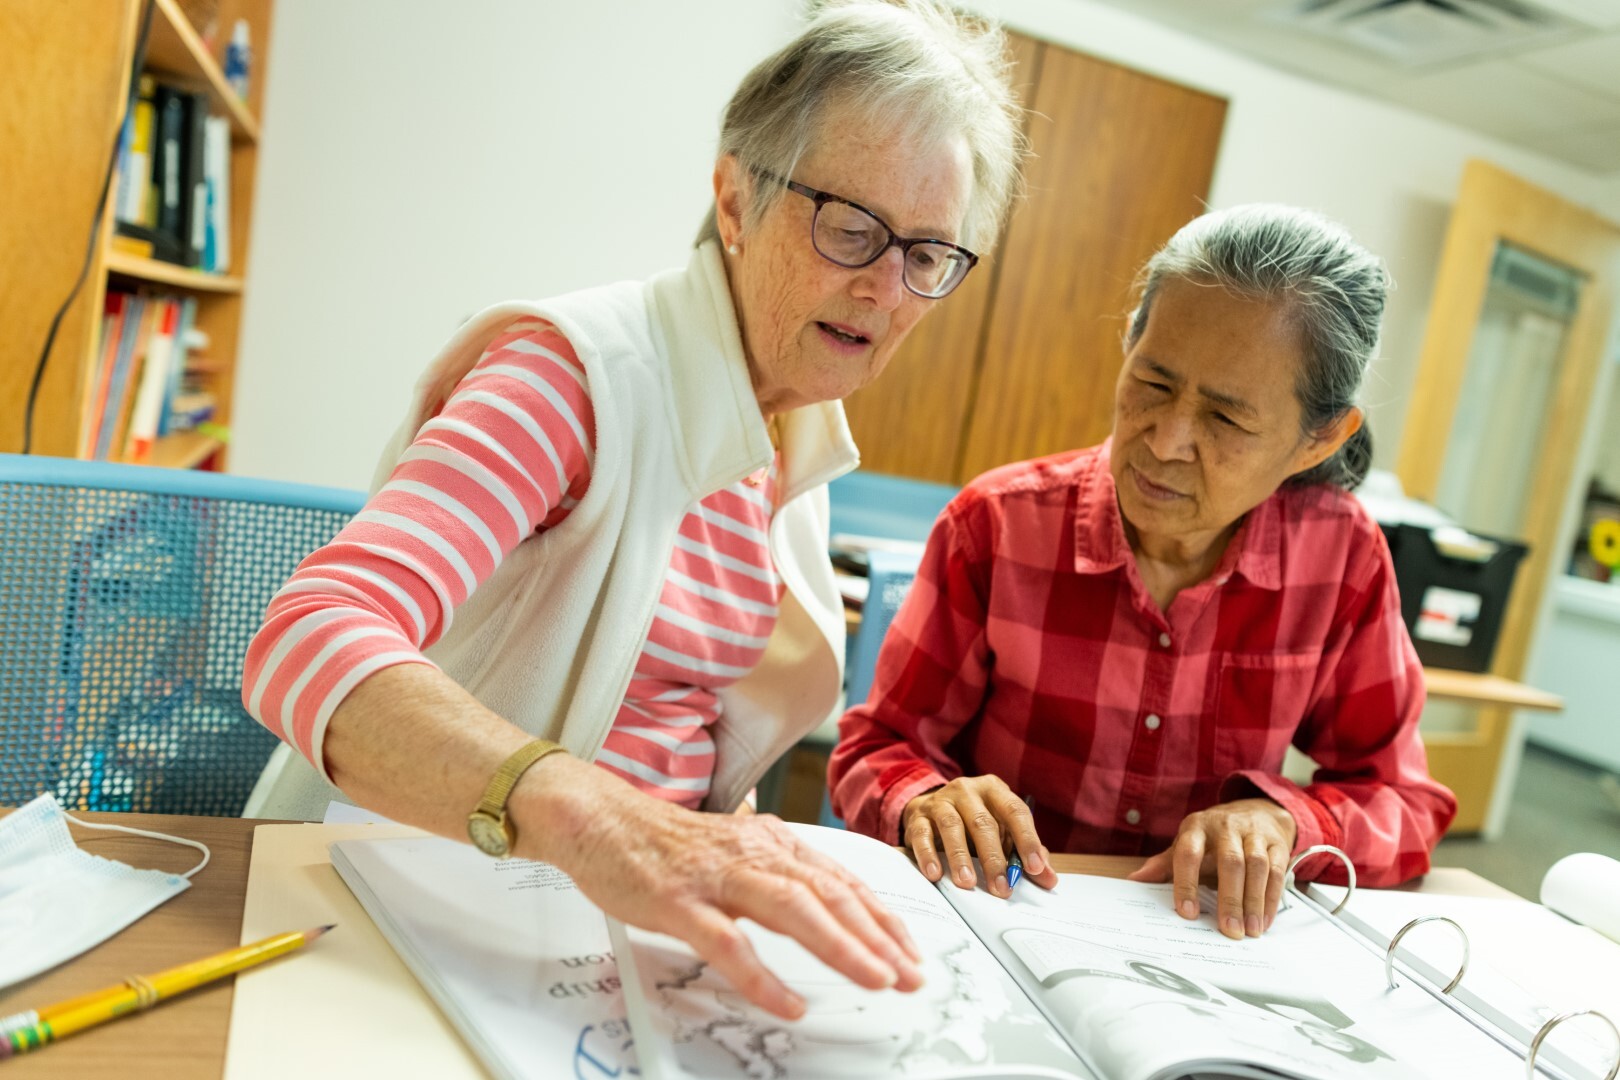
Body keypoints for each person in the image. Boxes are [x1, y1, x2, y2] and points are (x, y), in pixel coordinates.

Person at [239, 0, 1026, 1020]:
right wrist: (606, 824)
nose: (885, 288)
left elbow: (681, 722)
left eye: (927, 255)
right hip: (391, 915)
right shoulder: (575, 378)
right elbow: (307, 637)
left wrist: (721, 838)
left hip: (586, 945)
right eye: (850, 227)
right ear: (736, 200)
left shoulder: (790, 427)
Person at [828, 204, 1458, 941]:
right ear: (1129, 342)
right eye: (1153, 384)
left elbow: (1404, 800)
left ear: (1318, 439)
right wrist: (923, 798)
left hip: (1205, 950)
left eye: (1226, 420)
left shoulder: (1340, 560)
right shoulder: (997, 527)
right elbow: (873, 749)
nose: (1166, 441)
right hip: (1001, 922)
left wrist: (1290, 819)